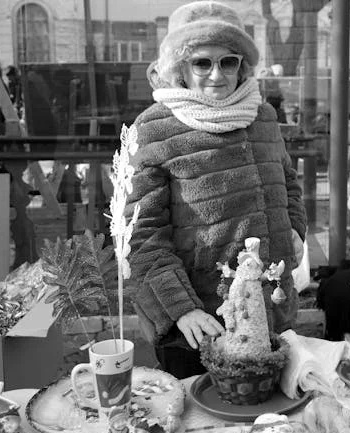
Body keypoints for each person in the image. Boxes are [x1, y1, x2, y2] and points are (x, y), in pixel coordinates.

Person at [127, 1, 307, 379]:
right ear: (180, 66)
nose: (216, 74)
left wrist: (294, 227)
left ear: (242, 65)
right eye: (202, 62)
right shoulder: (154, 128)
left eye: (228, 61)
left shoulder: (262, 116)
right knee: (203, 429)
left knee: (271, 425)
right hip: (200, 322)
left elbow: (288, 180)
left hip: (270, 309)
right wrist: (181, 308)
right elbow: (142, 237)